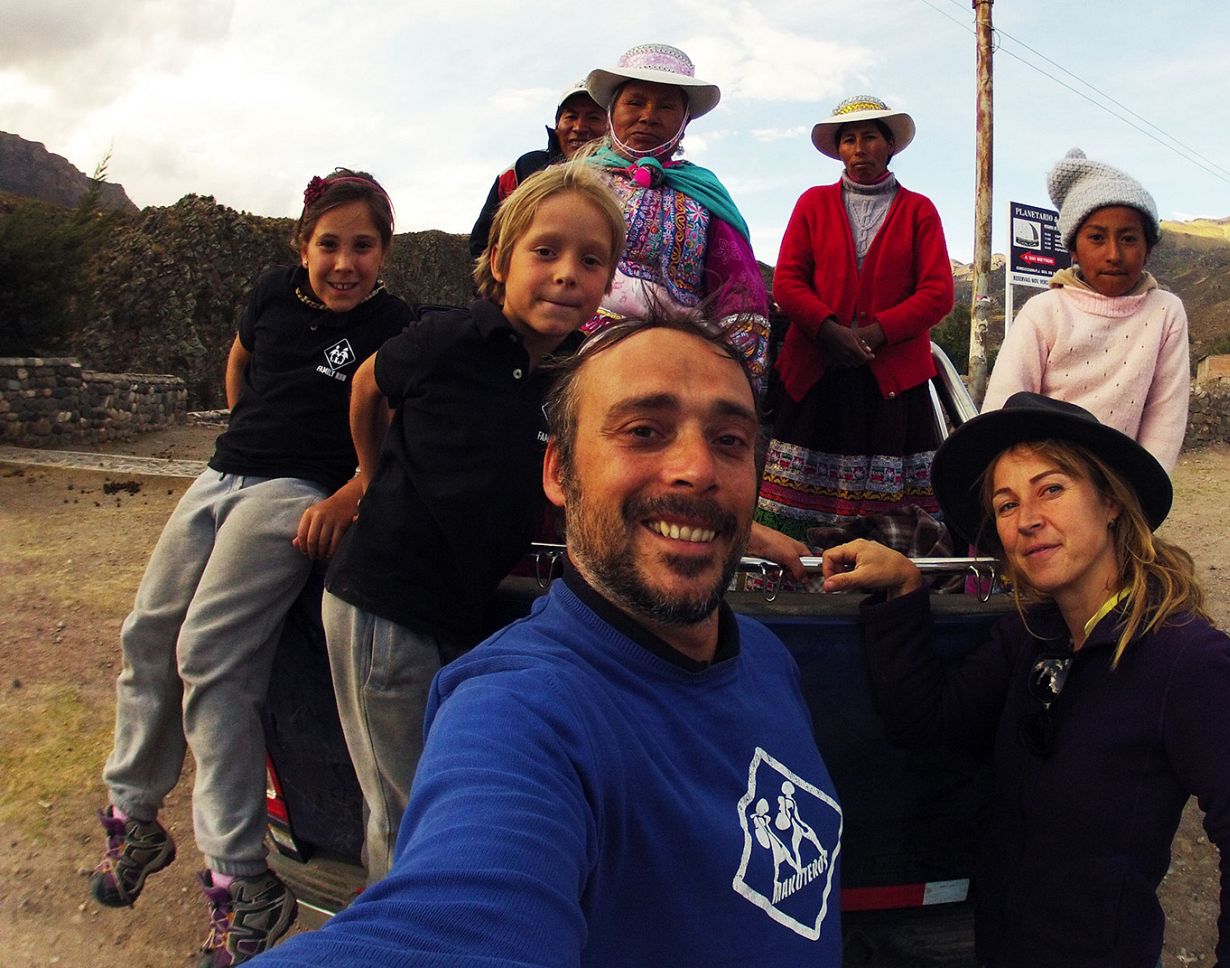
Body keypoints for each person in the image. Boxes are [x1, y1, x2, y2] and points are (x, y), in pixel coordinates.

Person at [251, 316, 843, 967]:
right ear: (560, 471)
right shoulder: (521, 714)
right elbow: (452, 930)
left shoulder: (765, 658)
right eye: (644, 431)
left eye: (730, 441)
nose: (697, 470)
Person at [821, 393, 1230, 967]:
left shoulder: (1189, 660)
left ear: (1111, 500)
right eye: (1006, 504)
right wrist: (904, 590)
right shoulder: (1032, 634)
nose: (1028, 520)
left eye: (1052, 489)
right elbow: (927, 723)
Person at [89, 169, 411, 965]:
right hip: (223, 473)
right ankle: (134, 815)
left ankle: (243, 877)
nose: (344, 262)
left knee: (210, 655)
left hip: (295, 491)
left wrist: (353, 492)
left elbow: (395, 427)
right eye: (328, 244)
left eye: (362, 246)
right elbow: (241, 362)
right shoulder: (272, 293)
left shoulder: (394, 326)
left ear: (384, 253)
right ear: (302, 246)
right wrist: (243, 424)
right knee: (147, 630)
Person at [321, 164, 624, 883]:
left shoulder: (560, 376)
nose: (566, 275)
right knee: (407, 812)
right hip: (382, 607)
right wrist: (368, 475)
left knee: (443, 797)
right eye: (545, 252)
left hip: (453, 613)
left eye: (590, 260)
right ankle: (402, 941)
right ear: (500, 260)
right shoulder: (449, 339)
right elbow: (367, 384)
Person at [755, 95, 955, 567]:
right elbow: (788, 280)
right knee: (801, 491)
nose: (859, 147)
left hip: (891, 385)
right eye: (849, 139)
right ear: (839, 150)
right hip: (817, 373)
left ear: (890, 147)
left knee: (888, 499)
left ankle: (882, 578)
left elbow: (938, 292)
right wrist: (827, 330)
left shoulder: (918, 210)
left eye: (869, 137)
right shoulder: (813, 203)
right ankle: (796, 577)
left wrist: (875, 334)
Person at [983, 149, 1191, 470]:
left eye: (1129, 238)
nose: (1113, 254)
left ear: (1148, 249)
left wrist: (1141, 493)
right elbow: (1003, 408)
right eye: (1096, 237)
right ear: (1073, 249)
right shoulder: (1044, 311)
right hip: (1041, 477)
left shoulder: (1165, 312)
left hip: (1120, 481)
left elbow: (1166, 415)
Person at [578, 43, 771, 389]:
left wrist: (733, 378)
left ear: (683, 123)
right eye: (635, 102)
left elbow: (738, 288)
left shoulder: (704, 194)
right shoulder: (574, 182)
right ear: (611, 111)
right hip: (574, 349)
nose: (649, 115)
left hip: (675, 364)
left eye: (666, 107)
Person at [468, 81, 607, 258]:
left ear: (609, 127)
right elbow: (482, 241)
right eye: (571, 117)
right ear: (557, 125)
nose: (579, 127)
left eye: (593, 117)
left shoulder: (627, 178)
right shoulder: (523, 170)